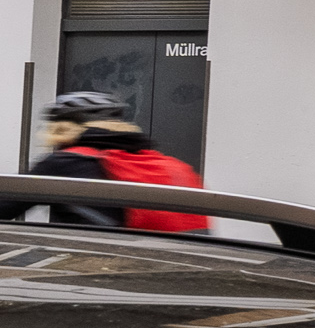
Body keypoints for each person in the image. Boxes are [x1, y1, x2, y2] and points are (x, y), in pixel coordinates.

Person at [22, 91, 207, 231]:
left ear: (60, 129)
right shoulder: (164, 162)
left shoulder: (65, 161)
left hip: (98, 261)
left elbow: (10, 203)